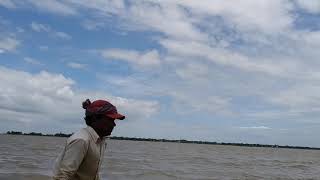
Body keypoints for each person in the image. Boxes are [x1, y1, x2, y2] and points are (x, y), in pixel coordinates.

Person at [53, 99, 125, 180]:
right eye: (110, 120)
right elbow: (62, 176)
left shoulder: (101, 141)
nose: (114, 124)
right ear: (95, 118)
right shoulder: (81, 140)